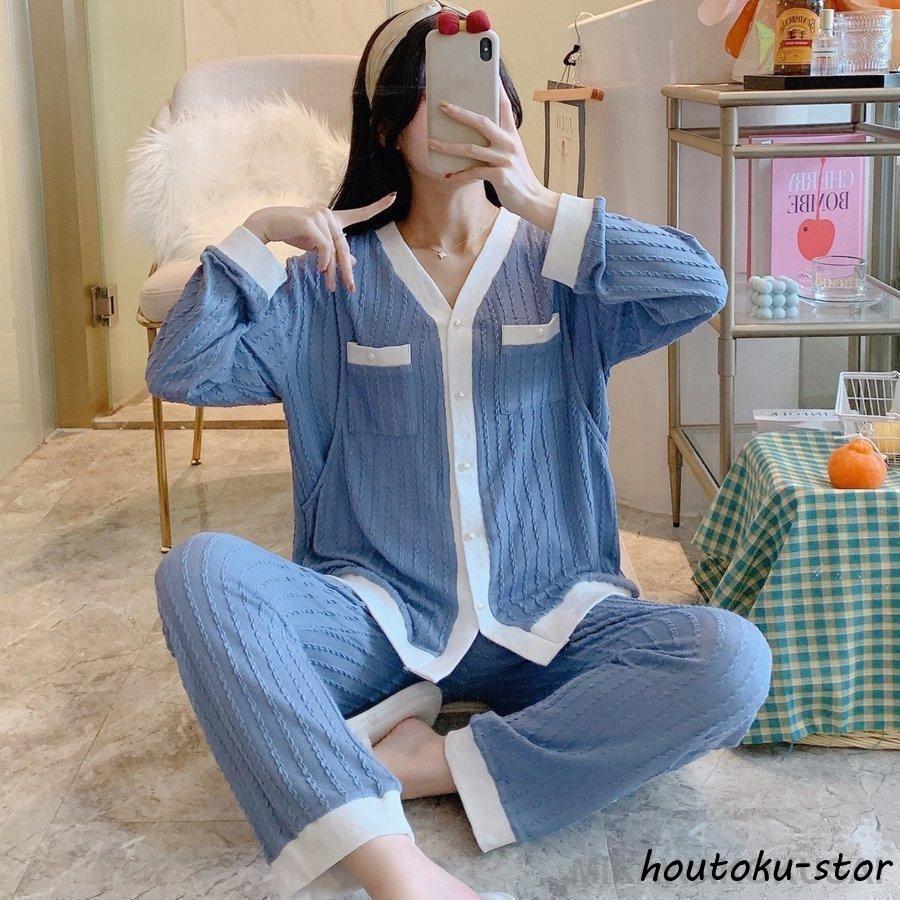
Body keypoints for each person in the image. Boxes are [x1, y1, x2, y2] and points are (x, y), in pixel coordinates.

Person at [148, 3, 773, 898]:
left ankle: (425, 762)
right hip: (377, 625)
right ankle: (391, 864)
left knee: (730, 660)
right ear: (386, 129)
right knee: (199, 573)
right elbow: (182, 368)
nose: (464, 115)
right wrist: (258, 236)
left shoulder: (561, 266)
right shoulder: (330, 280)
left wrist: (538, 200)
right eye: (433, 98)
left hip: (552, 621)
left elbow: (699, 286)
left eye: (480, 91)